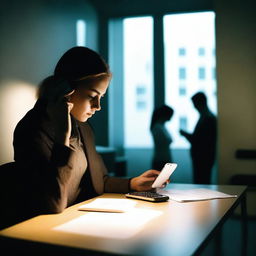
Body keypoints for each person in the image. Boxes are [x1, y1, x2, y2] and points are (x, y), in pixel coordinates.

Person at [10, 47, 168, 221]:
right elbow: (52, 203)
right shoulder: (33, 129)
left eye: (101, 97)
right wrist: (63, 135)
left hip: (77, 219)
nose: (97, 106)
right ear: (64, 91)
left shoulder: (83, 127)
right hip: (43, 229)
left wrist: (133, 183)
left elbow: (99, 181)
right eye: (92, 96)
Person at [180, 92, 217, 184]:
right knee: (202, 183)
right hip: (203, 157)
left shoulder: (208, 118)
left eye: (195, 104)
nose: (194, 106)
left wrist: (185, 134)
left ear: (200, 103)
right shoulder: (207, 117)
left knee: (202, 184)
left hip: (203, 158)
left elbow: (198, 141)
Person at [150, 105, 174, 171]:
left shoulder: (162, 127)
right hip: (160, 161)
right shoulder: (157, 128)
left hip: (164, 160)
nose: (171, 116)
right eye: (170, 114)